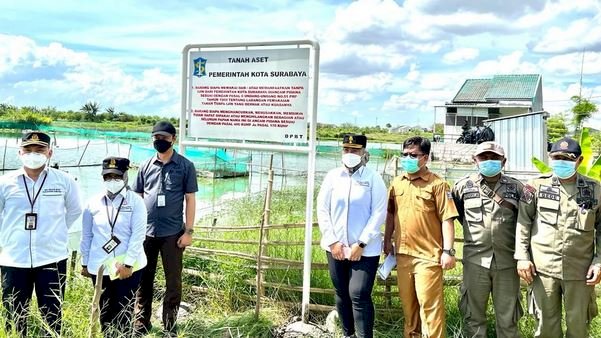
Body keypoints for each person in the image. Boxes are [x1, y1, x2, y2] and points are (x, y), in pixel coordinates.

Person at [515, 137, 601, 338]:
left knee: (578, 326)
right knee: (546, 326)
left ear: (579, 161)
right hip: (543, 269)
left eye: (567, 158)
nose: (561, 161)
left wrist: (599, 263)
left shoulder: (595, 189)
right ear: (550, 158)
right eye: (557, 157)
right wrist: (522, 257)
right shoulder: (535, 186)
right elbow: (523, 222)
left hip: (580, 272)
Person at [0, 131, 82, 337]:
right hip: (13, 259)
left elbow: (74, 210)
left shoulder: (64, 181)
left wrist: (54, 232)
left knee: (52, 317)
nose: (33, 154)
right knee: (14, 316)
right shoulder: (5, 182)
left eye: (39, 150)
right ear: (19, 152)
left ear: (50, 152)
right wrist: (7, 238)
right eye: (28, 149)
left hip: (52, 258)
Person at [383, 136, 458, 338]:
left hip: (428, 257)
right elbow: (391, 213)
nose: (408, 158)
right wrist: (387, 240)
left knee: (430, 309)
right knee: (409, 309)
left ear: (425, 158)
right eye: (405, 154)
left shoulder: (438, 185)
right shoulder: (397, 183)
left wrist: (448, 251)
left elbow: (447, 219)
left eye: (413, 155)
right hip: (403, 255)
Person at [317, 134, 387, 338]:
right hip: (336, 247)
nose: (350, 154)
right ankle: (348, 334)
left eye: (355, 150)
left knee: (359, 294)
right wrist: (332, 241)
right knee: (341, 293)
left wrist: (362, 243)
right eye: (346, 150)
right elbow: (322, 209)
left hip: (365, 249)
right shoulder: (332, 177)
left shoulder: (373, 179)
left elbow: (379, 212)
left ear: (364, 152)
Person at [452, 142, 523, 338]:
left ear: (504, 161)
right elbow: (458, 215)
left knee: (508, 319)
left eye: (494, 158)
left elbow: (524, 220)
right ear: (475, 160)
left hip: (508, 262)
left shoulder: (517, 188)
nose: (489, 161)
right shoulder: (462, 186)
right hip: (475, 261)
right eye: (484, 157)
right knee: (473, 317)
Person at [133, 121, 198, 336]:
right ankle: (141, 324)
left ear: (173, 139)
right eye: (156, 137)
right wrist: (135, 230)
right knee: (144, 279)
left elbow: (190, 199)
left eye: (164, 137)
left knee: (173, 281)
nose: (159, 141)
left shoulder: (185, 166)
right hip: (146, 233)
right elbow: (138, 198)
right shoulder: (145, 166)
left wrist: (188, 232)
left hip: (173, 234)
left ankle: (170, 324)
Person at [80, 156, 147, 337]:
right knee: (104, 308)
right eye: (107, 176)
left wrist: (128, 264)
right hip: (100, 265)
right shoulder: (92, 202)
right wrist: (85, 262)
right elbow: (87, 235)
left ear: (126, 175)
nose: (112, 180)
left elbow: (138, 235)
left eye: (116, 176)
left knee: (123, 309)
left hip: (128, 266)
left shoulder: (135, 202)